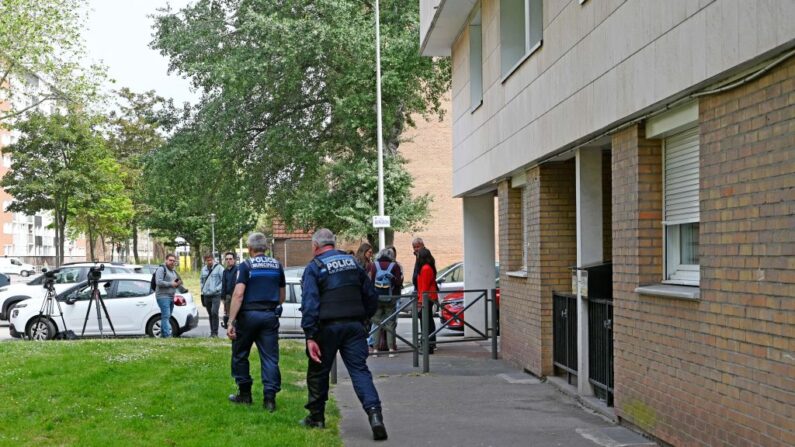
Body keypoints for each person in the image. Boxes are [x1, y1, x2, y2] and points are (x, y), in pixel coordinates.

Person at [299, 228, 387, 441]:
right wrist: (364, 320)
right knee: (359, 371)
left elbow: (310, 303)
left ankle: (317, 417)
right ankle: (375, 415)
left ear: (315, 246)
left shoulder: (315, 267)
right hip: (354, 327)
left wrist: (310, 335)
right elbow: (371, 296)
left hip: (326, 328)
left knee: (319, 372)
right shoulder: (353, 264)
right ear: (333, 243)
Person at [227, 233, 286, 412]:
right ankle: (270, 399)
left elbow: (238, 294)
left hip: (248, 316)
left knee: (240, 354)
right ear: (266, 248)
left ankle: (245, 394)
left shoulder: (246, 266)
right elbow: (282, 296)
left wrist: (231, 321)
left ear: (250, 249)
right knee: (269, 358)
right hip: (269, 317)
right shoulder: (277, 266)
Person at [368, 247, 403, 358]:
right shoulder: (395, 266)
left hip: (377, 298)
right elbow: (397, 282)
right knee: (390, 323)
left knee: (376, 323)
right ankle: (391, 349)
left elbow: (372, 281)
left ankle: (375, 350)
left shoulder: (374, 265)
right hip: (390, 298)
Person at [415, 247, 438, 354]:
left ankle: (428, 346)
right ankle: (429, 344)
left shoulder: (425, 269)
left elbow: (424, 287)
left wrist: (420, 302)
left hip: (426, 298)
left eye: (418, 255)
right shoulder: (426, 267)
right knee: (427, 321)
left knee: (426, 322)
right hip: (427, 297)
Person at [154, 254, 181, 338]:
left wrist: (177, 283)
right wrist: (171, 284)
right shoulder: (161, 269)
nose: (172, 262)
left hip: (171, 296)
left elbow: (174, 283)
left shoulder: (173, 271)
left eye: (173, 261)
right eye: (170, 260)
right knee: (166, 315)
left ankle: (163, 335)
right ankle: (167, 335)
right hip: (162, 296)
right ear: (166, 260)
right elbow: (158, 282)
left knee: (167, 316)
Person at [200, 253, 224, 337]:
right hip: (206, 295)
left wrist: (217, 289)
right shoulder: (203, 269)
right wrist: (202, 290)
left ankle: (215, 332)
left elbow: (223, 280)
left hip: (216, 294)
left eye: (210, 260)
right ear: (205, 261)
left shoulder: (219, 268)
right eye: (207, 260)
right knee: (210, 313)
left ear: (213, 259)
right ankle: (212, 332)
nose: (209, 262)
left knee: (214, 312)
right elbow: (202, 281)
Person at [221, 251, 239, 329]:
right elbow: (223, 285)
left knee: (237, 314)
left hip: (236, 295)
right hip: (228, 296)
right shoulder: (225, 271)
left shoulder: (238, 270)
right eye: (227, 259)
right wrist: (223, 297)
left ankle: (237, 331)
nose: (228, 260)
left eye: (230, 259)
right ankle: (230, 330)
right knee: (228, 315)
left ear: (234, 260)